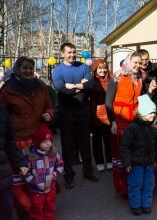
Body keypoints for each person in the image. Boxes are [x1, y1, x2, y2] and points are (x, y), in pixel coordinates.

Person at [0, 56, 54, 217]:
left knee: (39, 175)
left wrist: (49, 114)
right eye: (25, 68)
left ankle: (39, 206)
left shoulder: (41, 86)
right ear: (17, 69)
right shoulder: (8, 89)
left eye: (31, 68)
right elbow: (2, 115)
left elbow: (50, 106)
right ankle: (24, 209)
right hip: (18, 140)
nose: (28, 71)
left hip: (38, 139)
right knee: (21, 177)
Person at [106, 52, 156, 195]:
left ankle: (134, 188)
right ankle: (123, 188)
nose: (138, 65)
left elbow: (141, 102)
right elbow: (108, 102)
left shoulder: (139, 78)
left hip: (135, 121)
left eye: (140, 63)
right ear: (128, 62)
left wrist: (151, 91)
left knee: (135, 157)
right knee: (122, 156)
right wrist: (113, 122)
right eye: (135, 62)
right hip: (120, 123)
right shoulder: (117, 77)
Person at [52, 43, 98, 189]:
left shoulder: (82, 66)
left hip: (83, 111)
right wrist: (81, 86)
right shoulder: (58, 70)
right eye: (69, 52)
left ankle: (88, 172)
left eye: (74, 52)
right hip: (67, 112)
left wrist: (74, 86)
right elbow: (62, 90)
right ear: (62, 54)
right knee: (67, 145)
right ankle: (69, 176)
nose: (72, 55)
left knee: (85, 143)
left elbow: (92, 84)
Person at [120, 94, 157, 216]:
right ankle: (135, 205)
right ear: (141, 113)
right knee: (136, 184)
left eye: (153, 113)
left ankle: (146, 203)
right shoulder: (132, 128)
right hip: (135, 164)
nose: (152, 115)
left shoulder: (155, 128)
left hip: (149, 162)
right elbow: (125, 147)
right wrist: (127, 163)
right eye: (149, 113)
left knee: (149, 184)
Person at [25, 125, 63, 220]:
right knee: (36, 210)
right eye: (45, 142)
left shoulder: (53, 154)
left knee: (49, 207)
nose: (48, 144)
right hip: (36, 190)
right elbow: (25, 173)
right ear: (38, 142)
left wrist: (54, 174)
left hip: (51, 188)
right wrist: (34, 181)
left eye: (49, 141)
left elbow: (60, 165)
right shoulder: (31, 157)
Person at [0, 108, 28, 220]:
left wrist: (20, 162)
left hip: (2, 177)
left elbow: (9, 143)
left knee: (6, 211)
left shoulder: (3, 114)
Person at [90, 59, 112, 172]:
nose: (102, 70)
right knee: (97, 140)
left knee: (108, 140)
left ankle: (109, 160)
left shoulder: (111, 80)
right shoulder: (92, 81)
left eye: (104, 68)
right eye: (100, 68)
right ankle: (99, 161)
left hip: (108, 113)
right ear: (95, 69)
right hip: (96, 115)